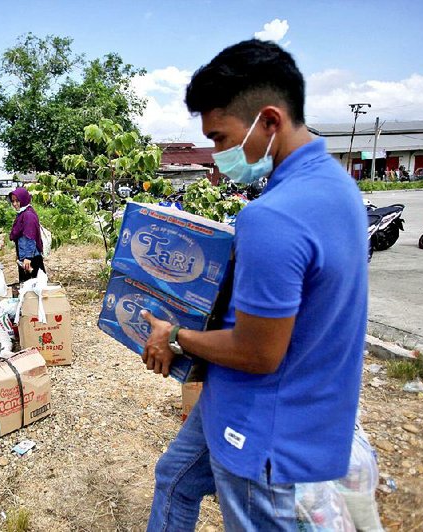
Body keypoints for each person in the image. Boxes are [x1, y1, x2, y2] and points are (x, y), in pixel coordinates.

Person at [140, 39, 368, 531]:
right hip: (270, 406)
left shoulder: (274, 217)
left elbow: (259, 351)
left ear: (269, 121)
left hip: (262, 429)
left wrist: (173, 336)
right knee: (174, 479)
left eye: (221, 139)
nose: (217, 154)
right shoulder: (337, 186)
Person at [8, 187, 45, 283]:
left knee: (33, 286)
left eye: (17, 201)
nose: (15, 204)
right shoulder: (22, 213)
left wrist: (28, 257)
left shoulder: (28, 215)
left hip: (31, 257)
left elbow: (30, 237)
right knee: (30, 286)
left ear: (23, 199)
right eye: (13, 201)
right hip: (25, 256)